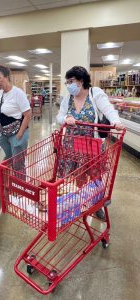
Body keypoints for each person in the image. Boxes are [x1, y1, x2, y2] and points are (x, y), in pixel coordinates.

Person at [56, 66, 125, 220]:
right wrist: (65, 119)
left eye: (71, 81)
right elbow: (59, 117)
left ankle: (96, 204)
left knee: (95, 176)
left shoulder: (95, 93)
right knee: (78, 175)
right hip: (72, 143)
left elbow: (109, 109)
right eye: (67, 82)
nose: (69, 85)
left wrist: (116, 122)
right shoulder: (68, 98)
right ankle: (80, 201)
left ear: (81, 80)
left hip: (91, 143)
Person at [0, 65, 31, 171]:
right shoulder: (0, 93)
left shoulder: (18, 93)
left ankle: (19, 186)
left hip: (17, 132)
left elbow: (28, 115)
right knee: (12, 160)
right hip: (5, 132)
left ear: (7, 77)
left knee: (19, 165)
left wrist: (19, 134)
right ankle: (13, 180)